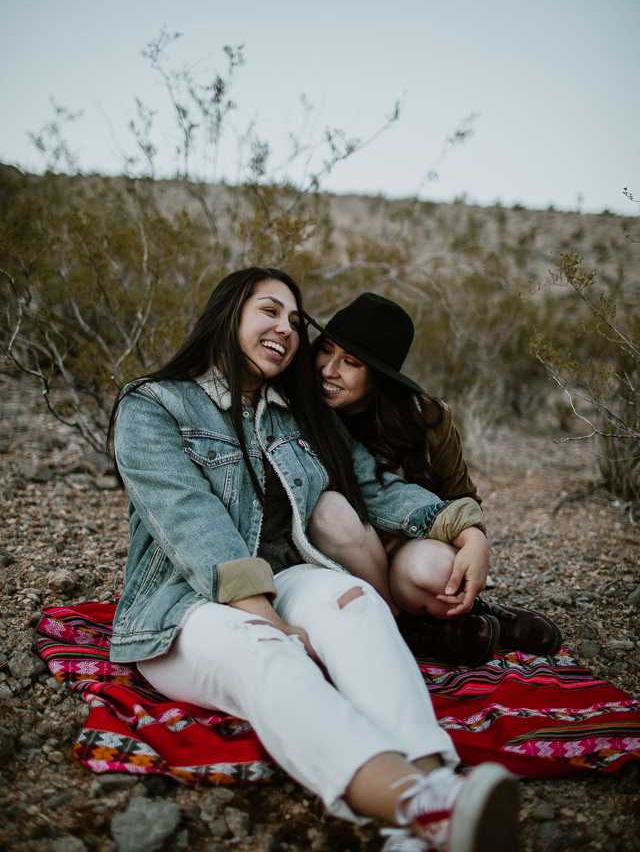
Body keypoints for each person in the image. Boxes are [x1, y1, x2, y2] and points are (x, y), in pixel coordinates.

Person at [107, 267, 520, 852]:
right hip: (180, 605)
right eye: (270, 311)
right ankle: (414, 804)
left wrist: (467, 528)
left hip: (284, 573)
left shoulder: (297, 411)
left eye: (295, 321)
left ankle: (438, 791)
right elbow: (193, 525)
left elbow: (376, 487)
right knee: (266, 648)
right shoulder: (153, 406)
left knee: (353, 603)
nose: (286, 328)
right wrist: (273, 620)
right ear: (229, 314)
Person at [307, 292, 562, 666]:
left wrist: (475, 539)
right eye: (326, 350)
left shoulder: (426, 418)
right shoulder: (301, 411)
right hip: (333, 556)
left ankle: (460, 613)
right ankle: (422, 629)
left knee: (434, 569)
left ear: (378, 375)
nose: (328, 369)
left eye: (350, 362)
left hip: (405, 555)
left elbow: (462, 496)